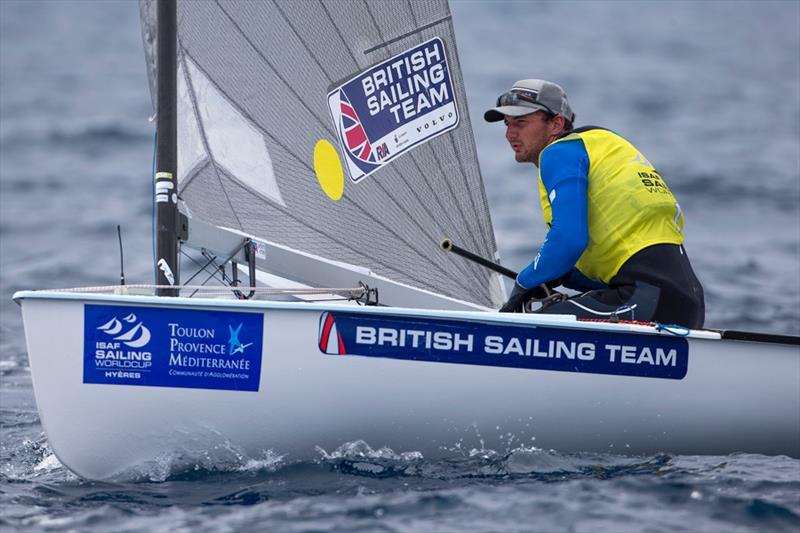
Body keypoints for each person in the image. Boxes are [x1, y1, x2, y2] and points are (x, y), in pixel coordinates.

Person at [485, 79, 705, 328]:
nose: (510, 133)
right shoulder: (601, 145)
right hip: (684, 303)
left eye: (521, 123)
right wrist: (563, 275)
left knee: (533, 325)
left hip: (645, 300)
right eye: (507, 124)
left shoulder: (559, 152)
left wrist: (524, 283)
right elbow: (621, 264)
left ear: (556, 123)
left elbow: (569, 240)